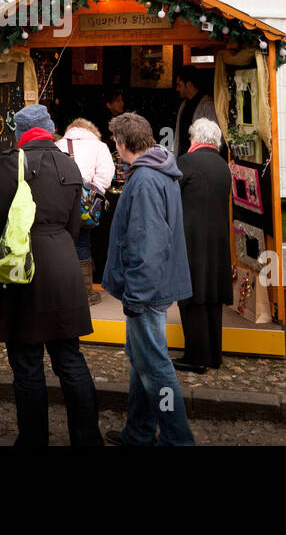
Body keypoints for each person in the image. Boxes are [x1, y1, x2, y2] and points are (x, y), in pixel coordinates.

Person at [0, 104, 102, 446]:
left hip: (25, 269)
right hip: (64, 264)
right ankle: (87, 438)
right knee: (69, 358)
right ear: (49, 130)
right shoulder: (69, 163)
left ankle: (34, 440)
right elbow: (76, 227)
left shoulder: (12, 162)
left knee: (27, 362)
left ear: (20, 133)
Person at [102, 112, 194, 446]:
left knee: (156, 368)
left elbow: (147, 242)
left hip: (148, 291)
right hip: (154, 285)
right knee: (142, 360)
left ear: (123, 144)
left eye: (115, 142)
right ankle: (139, 433)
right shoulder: (160, 169)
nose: (115, 147)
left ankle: (177, 438)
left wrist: (136, 297)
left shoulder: (144, 180)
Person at [175, 117, 233, 373]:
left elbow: (172, 193)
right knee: (212, 298)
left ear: (195, 137)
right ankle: (213, 355)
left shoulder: (187, 162)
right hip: (218, 239)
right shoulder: (223, 166)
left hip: (192, 239)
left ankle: (196, 357)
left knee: (193, 297)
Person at [55, 117, 114, 306]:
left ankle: (61, 293)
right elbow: (106, 175)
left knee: (59, 244)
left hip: (58, 204)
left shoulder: (56, 144)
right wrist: (92, 193)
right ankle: (85, 294)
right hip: (83, 207)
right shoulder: (100, 146)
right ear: (91, 131)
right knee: (82, 242)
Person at [172, 66, 217, 157]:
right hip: (183, 160)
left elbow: (216, 137)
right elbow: (178, 136)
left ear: (188, 84)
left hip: (200, 162)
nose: (177, 89)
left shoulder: (208, 105)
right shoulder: (183, 105)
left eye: (179, 85)